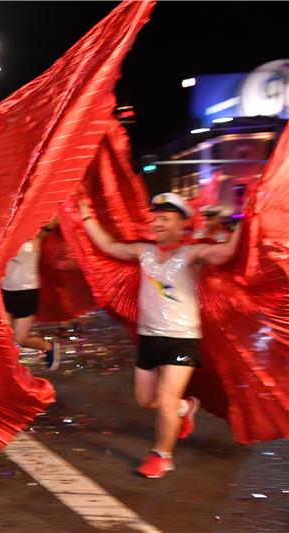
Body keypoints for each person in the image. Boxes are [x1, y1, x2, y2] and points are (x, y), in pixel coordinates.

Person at [79, 192, 240, 478]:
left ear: (182, 225)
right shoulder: (144, 251)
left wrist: (246, 222)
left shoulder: (193, 254)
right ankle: (184, 406)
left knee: (164, 399)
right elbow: (107, 245)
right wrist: (86, 215)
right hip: (149, 337)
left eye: (165, 219)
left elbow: (227, 253)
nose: (158, 223)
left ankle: (162, 456)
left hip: (182, 339)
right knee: (146, 399)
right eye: (155, 219)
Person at [1, 223, 61, 371]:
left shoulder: (37, 234)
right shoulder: (4, 235)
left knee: (20, 339)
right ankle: (11, 375)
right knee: (5, 337)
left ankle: (48, 347)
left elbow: (55, 218)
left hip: (27, 293)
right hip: (5, 291)